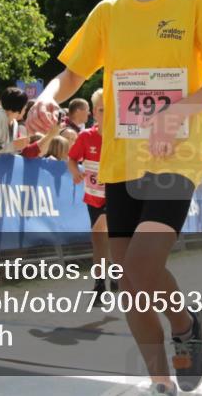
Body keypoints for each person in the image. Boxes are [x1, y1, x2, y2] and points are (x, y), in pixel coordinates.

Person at [26, 0, 202, 395]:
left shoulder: (193, 3)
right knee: (128, 283)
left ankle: (186, 326)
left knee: (142, 267)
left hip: (176, 154)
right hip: (120, 158)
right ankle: (160, 382)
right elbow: (73, 72)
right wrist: (50, 100)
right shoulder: (109, 11)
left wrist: (177, 112)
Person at [67, 89, 114, 292]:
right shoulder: (86, 137)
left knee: (100, 232)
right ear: (95, 112)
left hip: (115, 197)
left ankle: (101, 283)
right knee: (100, 241)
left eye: (111, 111)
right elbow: (71, 158)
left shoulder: (120, 138)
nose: (106, 115)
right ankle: (104, 279)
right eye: (102, 110)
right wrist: (75, 171)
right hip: (93, 197)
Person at [0, 86, 29, 154]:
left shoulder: (15, 123)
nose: (25, 108)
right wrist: (14, 146)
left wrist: (19, 147)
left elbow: (10, 151)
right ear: (19, 106)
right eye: (25, 105)